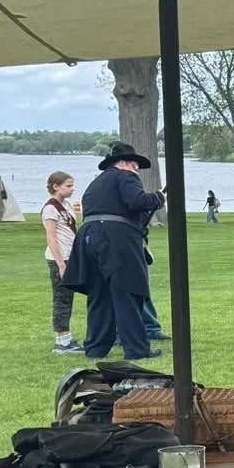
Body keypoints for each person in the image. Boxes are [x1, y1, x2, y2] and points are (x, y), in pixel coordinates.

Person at [62, 142, 166, 361]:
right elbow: (137, 201)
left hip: (89, 239)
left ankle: (96, 348)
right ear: (125, 163)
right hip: (115, 241)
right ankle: (137, 349)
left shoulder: (96, 183)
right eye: (135, 165)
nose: (137, 169)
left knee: (99, 295)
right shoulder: (125, 177)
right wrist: (158, 197)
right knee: (127, 292)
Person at [42, 170, 80, 354]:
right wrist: (61, 264)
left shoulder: (67, 206)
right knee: (61, 298)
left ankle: (66, 337)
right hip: (60, 257)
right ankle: (62, 340)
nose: (72, 189)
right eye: (68, 185)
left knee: (68, 296)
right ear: (56, 186)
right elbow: (51, 237)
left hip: (70, 256)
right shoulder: (50, 209)